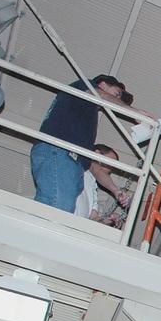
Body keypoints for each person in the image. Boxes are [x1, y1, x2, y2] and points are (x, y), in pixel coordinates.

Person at [32, 74, 127, 212]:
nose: (117, 100)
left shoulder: (86, 116)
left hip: (71, 161)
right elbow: (99, 94)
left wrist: (115, 191)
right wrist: (135, 112)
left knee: (62, 208)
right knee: (57, 206)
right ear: (102, 84)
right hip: (59, 151)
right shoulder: (85, 85)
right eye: (116, 94)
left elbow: (95, 168)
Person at [74, 145, 130, 225]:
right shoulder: (82, 165)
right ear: (97, 153)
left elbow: (93, 218)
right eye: (109, 163)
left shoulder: (93, 187)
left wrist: (109, 219)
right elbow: (96, 169)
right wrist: (116, 191)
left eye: (111, 167)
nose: (109, 169)